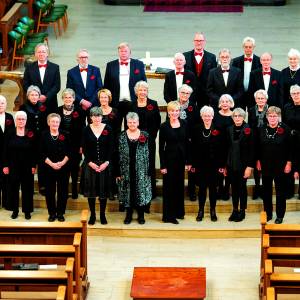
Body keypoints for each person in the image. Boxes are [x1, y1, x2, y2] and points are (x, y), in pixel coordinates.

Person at [256, 106, 292, 224]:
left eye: (275, 116)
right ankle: (269, 214)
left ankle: (280, 215)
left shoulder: (286, 129)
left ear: (279, 117)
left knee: (280, 192)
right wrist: (258, 161)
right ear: (266, 117)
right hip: (265, 164)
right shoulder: (261, 129)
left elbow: (292, 148)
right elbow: (258, 147)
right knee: (266, 192)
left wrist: (289, 163)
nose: (272, 118)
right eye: (270, 116)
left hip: (281, 165)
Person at [190, 106, 225, 222]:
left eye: (209, 115)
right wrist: (193, 165)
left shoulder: (218, 129)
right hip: (200, 165)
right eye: (205, 115)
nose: (207, 117)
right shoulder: (196, 129)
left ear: (213, 116)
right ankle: (200, 211)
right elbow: (192, 149)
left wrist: (221, 165)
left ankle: (213, 211)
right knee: (202, 189)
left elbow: (222, 149)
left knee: (213, 189)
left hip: (214, 165)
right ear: (201, 116)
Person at [159, 101, 191, 224]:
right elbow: (161, 147)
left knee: (179, 186)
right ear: (168, 112)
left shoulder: (184, 124)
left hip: (181, 160)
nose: (174, 113)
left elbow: (187, 143)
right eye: (172, 111)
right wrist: (162, 165)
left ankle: (179, 212)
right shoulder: (164, 126)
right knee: (169, 188)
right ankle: (169, 215)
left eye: (177, 110)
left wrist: (188, 161)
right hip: (169, 161)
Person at [117, 112, 151, 225]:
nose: (132, 124)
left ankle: (141, 215)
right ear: (126, 123)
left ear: (138, 122)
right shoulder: (121, 136)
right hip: (126, 170)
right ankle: (129, 214)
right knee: (128, 192)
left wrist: (149, 169)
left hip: (142, 170)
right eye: (130, 122)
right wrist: (117, 171)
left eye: (134, 122)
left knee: (140, 191)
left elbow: (150, 153)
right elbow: (116, 154)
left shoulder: (145, 135)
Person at [81, 107, 113, 225]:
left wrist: (106, 163)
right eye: (94, 116)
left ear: (102, 117)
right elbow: (84, 147)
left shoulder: (108, 128)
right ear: (91, 117)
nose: (97, 118)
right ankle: (93, 215)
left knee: (103, 191)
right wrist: (90, 163)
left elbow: (111, 147)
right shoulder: (86, 129)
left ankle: (102, 215)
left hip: (105, 164)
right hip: (91, 164)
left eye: (99, 116)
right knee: (92, 192)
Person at [130, 81, 161, 200]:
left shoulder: (153, 104)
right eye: (140, 90)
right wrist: (135, 136)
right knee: (136, 165)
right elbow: (129, 123)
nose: (142, 92)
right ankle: (137, 192)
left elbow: (157, 122)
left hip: (149, 140)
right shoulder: (131, 105)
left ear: (147, 92)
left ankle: (150, 192)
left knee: (149, 165)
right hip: (134, 140)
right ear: (136, 92)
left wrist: (149, 136)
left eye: (145, 90)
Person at [2, 111, 36, 219]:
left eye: (23, 119)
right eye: (19, 119)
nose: (21, 121)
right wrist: (5, 165)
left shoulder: (31, 133)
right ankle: (15, 210)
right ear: (15, 120)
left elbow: (34, 151)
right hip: (12, 166)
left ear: (26, 121)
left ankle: (27, 211)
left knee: (28, 189)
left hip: (27, 166)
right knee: (13, 189)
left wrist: (33, 166)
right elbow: (4, 150)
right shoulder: (10, 133)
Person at [104, 42, 146, 127]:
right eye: (121, 51)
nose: (123, 53)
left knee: (131, 127)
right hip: (116, 103)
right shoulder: (110, 65)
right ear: (118, 52)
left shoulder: (138, 64)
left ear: (130, 52)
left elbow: (144, 84)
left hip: (133, 102)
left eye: (125, 51)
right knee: (115, 128)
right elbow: (106, 85)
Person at [226, 108, 255, 222]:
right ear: (232, 118)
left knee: (242, 188)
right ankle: (235, 210)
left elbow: (252, 150)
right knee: (234, 188)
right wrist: (225, 166)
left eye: (240, 116)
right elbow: (226, 148)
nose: (237, 118)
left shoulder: (249, 130)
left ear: (244, 117)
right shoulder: (229, 129)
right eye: (235, 116)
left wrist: (249, 167)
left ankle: (242, 210)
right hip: (231, 163)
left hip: (244, 165)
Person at [40, 113, 70, 222]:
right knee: (50, 192)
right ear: (48, 123)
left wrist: (62, 163)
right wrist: (52, 164)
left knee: (63, 191)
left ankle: (61, 213)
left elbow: (69, 152)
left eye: (57, 122)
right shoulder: (43, 135)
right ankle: (52, 213)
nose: (55, 124)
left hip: (63, 167)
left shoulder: (65, 134)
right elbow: (41, 153)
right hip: (48, 168)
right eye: (53, 121)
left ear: (59, 123)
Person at [19, 85, 48, 195]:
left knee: (42, 165)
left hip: (41, 141)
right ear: (28, 96)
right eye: (32, 94)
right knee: (28, 165)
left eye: (36, 94)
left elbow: (46, 124)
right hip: (28, 140)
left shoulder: (44, 107)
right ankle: (29, 188)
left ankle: (42, 187)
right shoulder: (23, 107)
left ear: (39, 96)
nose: (34, 96)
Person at [57, 88, 86, 199]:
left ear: (74, 98)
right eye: (66, 97)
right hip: (61, 144)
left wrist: (81, 145)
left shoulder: (80, 111)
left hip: (75, 145)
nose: (68, 99)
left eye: (70, 97)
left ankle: (74, 189)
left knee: (74, 168)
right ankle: (64, 191)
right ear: (62, 99)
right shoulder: (57, 110)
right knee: (64, 168)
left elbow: (83, 129)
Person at [176, 84, 199, 201]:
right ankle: (178, 191)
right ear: (179, 93)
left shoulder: (193, 107)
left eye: (187, 93)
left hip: (190, 141)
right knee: (178, 167)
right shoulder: (173, 105)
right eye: (183, 93)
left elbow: (196, 125)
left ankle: (191, 191)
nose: (185, 95)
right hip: (177, 141)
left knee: (191, 168)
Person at [23, 43, 61, 113]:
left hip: (50, 102)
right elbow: (25, 84)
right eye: (39, 52)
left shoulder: (55, 67)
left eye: (43, 52)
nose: (41, 54)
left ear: (47, 53)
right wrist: (35, 96)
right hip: (33, 102)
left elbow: (57, 86)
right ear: (35, 54)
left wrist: (46, 96)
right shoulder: (29, 67)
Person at [183, 32, 217, 108]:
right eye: (197, 40)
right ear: (193, 42)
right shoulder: (185, 56)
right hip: (189, 92)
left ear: (204, 42)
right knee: (190, 114)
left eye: (201, 40)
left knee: (203, 115)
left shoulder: (211, 57)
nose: (199, 42)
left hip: (205, 93)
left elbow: (214, 76)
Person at [98, 88, 120, 200]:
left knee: (111, 167)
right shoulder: (95, 111)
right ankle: (102, 191)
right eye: (101, 97)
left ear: (109, 98)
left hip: (112, 143)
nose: (103, 99)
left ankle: (112, 191)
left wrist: (115, 144)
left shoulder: (115, 111)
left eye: (105, 97)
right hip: (99, 144)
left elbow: (117, 129)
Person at [248, 89, 269, 200]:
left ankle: (265, 188)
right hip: (255, 141)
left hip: (267, 141)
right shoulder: (251, 110)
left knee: (265, 165)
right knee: (256, 166)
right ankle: (257, 187)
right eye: (258, 98)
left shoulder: (270, 110)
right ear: (255, 100)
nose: (260, 100)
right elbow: (251, 126)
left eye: (262, 98)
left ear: (266, 99)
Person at [213, 94, 234, 201]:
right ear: (220, 104)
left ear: (231, 103)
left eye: (227, 101)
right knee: (219, 170)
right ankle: (219, 189)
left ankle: (226, 189)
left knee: (229, 169)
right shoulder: (215, 115)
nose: (225, 103)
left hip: (231, 147)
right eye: (223, 101)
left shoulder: (235, 115)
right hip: (218, 147)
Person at [231, 37, 261, 109]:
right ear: (243, 47)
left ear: (254, 47)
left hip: (254, 94)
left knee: (253, 116)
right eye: (246, 47)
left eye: (250, 47)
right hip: (239, 94)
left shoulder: (260, 61)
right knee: (239, 115)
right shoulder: (235, 61)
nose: (248, 49)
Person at [283, 84, 300, 198]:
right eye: (294, 93)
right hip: (290, 139)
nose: (296, 95)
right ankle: (289, 191)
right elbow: (284, 123)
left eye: (298, 93)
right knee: (289, 163)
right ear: (290, 95)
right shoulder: (286, 107)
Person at [0, 95, 15, 209]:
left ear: (6, 105)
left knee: (7, 179)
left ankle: (7, 203)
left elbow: (12, 135)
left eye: (3, 103)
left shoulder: (10, 117)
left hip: (7, 153)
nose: (1, 105)